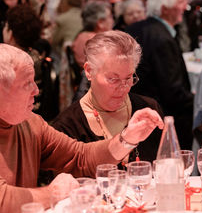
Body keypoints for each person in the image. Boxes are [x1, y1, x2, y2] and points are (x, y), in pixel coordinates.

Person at [0, 43, 163, 212]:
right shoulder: (45, 122)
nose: (36, 90)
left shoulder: (31, 124)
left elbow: (80, 156)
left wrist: (127, 139)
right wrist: (53, 193)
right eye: (27, 83)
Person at [53, 30, 163, 163]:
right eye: (113, 79)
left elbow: (168, 167)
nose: (123, 87)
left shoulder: (148, 110)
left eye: (128, 78)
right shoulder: (67, 126)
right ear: (89, 71)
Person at [125, 0, 194, 149]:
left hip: (133, 113)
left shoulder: (136, 28)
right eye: (180, 2)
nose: (185, 7)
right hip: (161, 123)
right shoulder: (161, 39)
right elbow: (173, 93)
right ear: (165, 9)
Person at [3, 4, 57, 121]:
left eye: (5, 26)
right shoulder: (37, 57)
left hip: (15, 120)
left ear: (10, 34)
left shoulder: (8, 63)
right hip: (39, 117)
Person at [72, 0, 114, 69]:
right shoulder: (98, 42)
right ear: (100, 23)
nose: (112, 20)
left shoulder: (81, 36)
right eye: (110, 16)